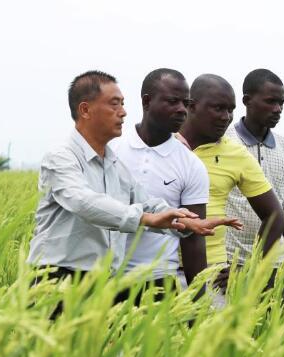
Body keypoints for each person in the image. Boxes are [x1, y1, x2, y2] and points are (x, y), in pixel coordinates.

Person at [27, 71, 214, 314]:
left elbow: (146, 203)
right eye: (114, 104)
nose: (123, 112)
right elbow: (83, 202)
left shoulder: (112, 163)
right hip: (56, 281)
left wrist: (186, 222)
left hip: (101, 284)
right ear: (85, 110)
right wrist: (144, 218)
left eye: (123, 104)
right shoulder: (61, 157)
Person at [111, 68, 242, 304]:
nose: (182, 109)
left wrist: (198, 302)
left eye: (186, 102)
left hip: (158, 282)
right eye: (173, 101)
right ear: (147, 101)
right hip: (104, 278)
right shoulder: (112, 150)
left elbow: (193, 238)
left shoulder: (190, 164)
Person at [178, 74, 284, 304]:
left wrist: (251, 267)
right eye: (218, 108)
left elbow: (276, 215)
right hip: (157, 270)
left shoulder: (236, 154)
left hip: (212, 272)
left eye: (230, 110)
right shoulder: (165, 146)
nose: (225, 117)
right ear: (191, 106)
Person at [225, 69, 284, 285]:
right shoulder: (224, 141)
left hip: (272, 263)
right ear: (247, 100)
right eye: (270, 101)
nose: (278, 109)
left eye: (281, 103)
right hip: (230, 262)